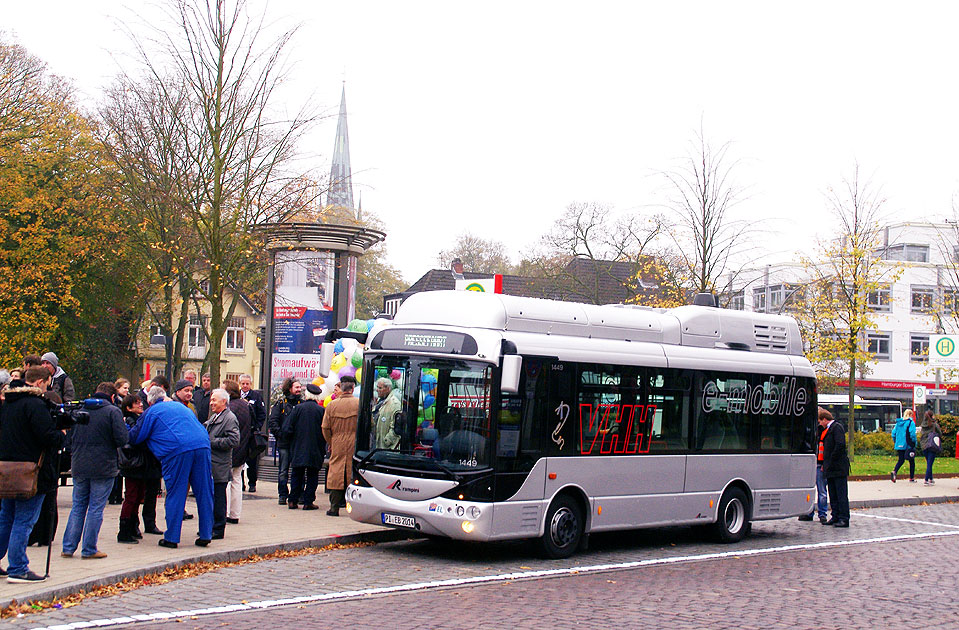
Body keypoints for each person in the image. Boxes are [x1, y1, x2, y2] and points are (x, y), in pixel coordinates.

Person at [128, 387, 214, 548]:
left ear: (150, 401)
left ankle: (172, 537)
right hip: (202, 445)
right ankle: (206, 534)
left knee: (176, 492)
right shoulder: (181, 406)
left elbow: (136, 437)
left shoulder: (152, 411)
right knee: (204, 491)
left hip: (177, 450)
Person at [0, 366, 64, 582]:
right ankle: (17, 567)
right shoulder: (35, 405)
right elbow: (47, 436)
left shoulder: (8, 404)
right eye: (47, 383)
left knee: (6, 518)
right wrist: (61, 434)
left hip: (7, 469)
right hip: (31, 471)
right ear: (39, 383)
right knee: (24, 520)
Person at [60, 383, 128, 559]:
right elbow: (122, 439)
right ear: (112, 397)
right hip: (103, 466)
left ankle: (68, 547)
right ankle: (89, 548)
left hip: (80, 464)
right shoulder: (113, 412)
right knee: (96, 508)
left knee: (78, 506)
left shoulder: (80, 409)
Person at [117, 394, 164, 542]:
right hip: (134, 464)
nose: (140, 405)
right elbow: (135, 440)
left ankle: (132, 526)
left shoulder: (138, 419)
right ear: (129, 407)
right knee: (131, 497)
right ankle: (125, 530)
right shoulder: (130, 421)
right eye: (136, 404)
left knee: (137, 496)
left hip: (140, 464)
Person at [282, 383, 326, 510]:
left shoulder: (297, 409)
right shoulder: (321, 411)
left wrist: (291, 441)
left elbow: (287, 428)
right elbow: (326, 430)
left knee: (297, 474)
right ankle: (308, 501)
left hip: (298, 447)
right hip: (315, 448)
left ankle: (292, 500)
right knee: (312, 475)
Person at [205, 388, 239, 539]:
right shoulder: (215, 417)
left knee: (219, 498)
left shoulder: (229, 418)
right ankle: (209, 527)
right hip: (212, 463)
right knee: (212, 497)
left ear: (224, 401)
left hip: (220, 465)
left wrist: (212, 442)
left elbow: (234, 440)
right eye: (211, 400)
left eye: (214, 400)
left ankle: (218, 529)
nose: (211, 403)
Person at [322, 375, 359, 516]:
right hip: (354, 442)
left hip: (337, 441)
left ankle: (334, 507)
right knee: (352, 472)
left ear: (341, 387)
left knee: (335, 473)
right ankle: (353, 507)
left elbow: (325, 427)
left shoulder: (332, 405)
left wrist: (331, 442)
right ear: (352, 388)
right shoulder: (358, 403)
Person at [268, 379, 302, 506]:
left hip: (297, 443)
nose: (299, 389)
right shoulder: (281, 404)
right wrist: (281, 435)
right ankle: (282, 494)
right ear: (289, 388)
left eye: (300, 387)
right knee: (283, 470)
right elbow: (273, 421)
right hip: (284, 444)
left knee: (298, 470)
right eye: (296, 387)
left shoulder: (301, 403)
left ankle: (297, 494)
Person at [223, 381, 252, 524]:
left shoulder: (229, 408)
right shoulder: (244, 405)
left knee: (226, 482)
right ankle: (234, 513)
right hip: (242, 447)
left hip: (230, 449)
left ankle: (225, 511)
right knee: (237, 480)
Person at [820, 407, 850, 527]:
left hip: (838, 467)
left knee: (841, 494)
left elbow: (839, 445)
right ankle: (835, 516)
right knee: (833, 493)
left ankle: (843, 517)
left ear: (825, 419)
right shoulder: (829, 429)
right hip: (830, 468)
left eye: (820, 421)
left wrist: (831, 459)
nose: (820, 424)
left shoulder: (837, 427)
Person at [798, 410, 829, 524]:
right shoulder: (822, 431)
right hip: (817, 462)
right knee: (820, 490)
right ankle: (820, 514)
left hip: (818, 462)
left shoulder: (815, 431)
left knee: (818, 490)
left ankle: (814, 513)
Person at [238, 374, 265, 493]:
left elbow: (262, 414)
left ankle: (252, 483)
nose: (245, 386)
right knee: (240, 459)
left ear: (251, 384)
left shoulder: (256, 396)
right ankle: (240, 483)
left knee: (252, 460)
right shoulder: (236, 396)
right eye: (243, 383)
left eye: (247, 384)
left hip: (251, 433)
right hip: (239, 434)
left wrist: (256, 427)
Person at [372, 377, 401, 450]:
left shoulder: (394, 404)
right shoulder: (379, 401)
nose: (377, 390)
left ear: (388, 389)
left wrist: (387, 441)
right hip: (375, 442)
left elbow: (395, 426)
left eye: (380, 388)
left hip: (385, 447)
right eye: (377, 387)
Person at [890, 409, 917, 483]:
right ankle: (911, 478)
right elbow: (912, 434)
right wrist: (914, 443)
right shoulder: (911, 422)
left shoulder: (898, 423)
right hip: (908, 445)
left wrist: (896, 441)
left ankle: (894, 471)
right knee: (911, 461)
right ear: (911, 415)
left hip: (899, 444)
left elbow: (893, 433)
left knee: (901, 460)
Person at [919, 410, 944, 486]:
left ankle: (931, 478)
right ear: (932, 416)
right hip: (932, 445)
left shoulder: (923, 425)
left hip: (924, 446)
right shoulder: (934, 424)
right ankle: (926, 480)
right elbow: (940, 433)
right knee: (930, 463)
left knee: (929, 462)